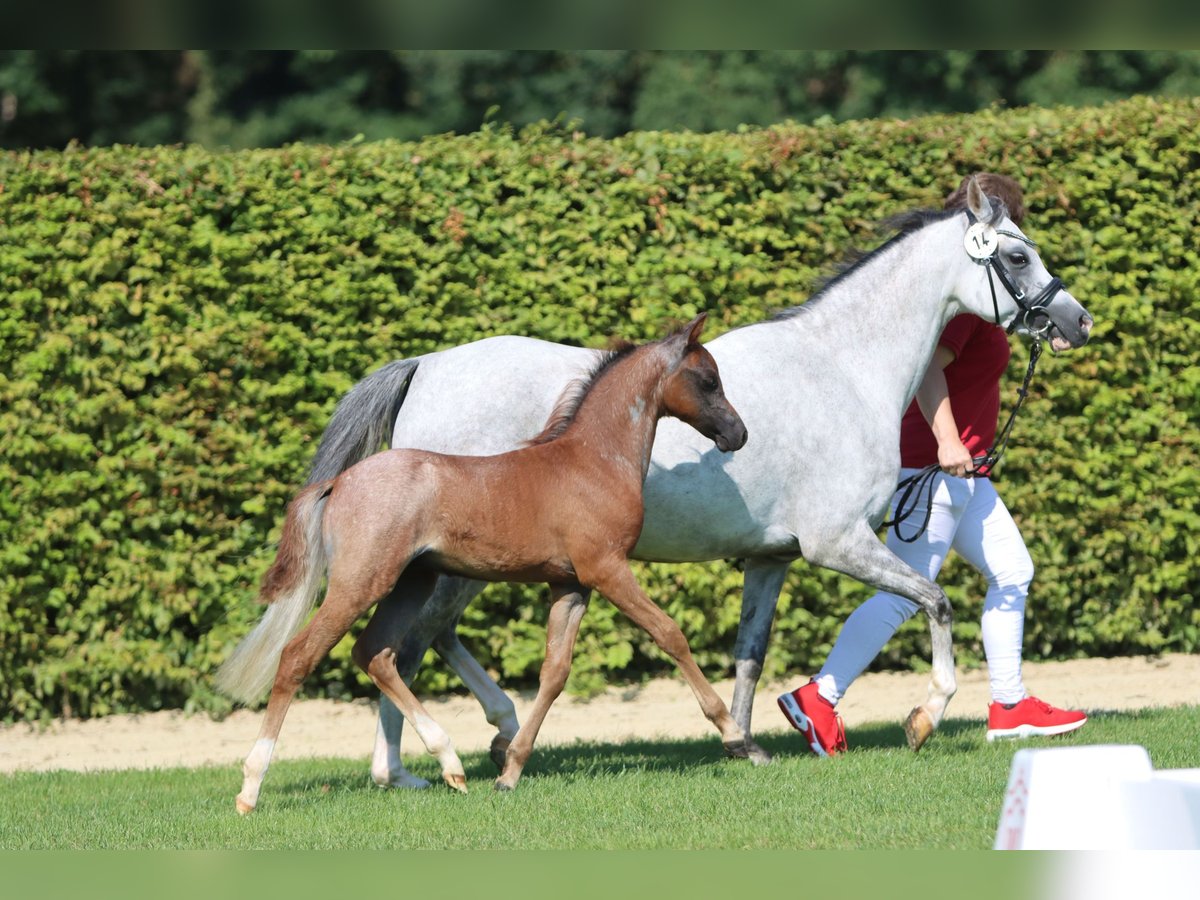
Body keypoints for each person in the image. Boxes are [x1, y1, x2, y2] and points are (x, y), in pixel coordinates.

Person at [777, 173, 1088, 756]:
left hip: (969, 475)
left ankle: (1009, 703)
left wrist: (1052, 325)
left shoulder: (979, 294)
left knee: (1012, 573)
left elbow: (1001, 330)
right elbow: (928, 370)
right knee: (903, 593)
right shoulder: (966, 303)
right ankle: (818, 696)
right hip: (935, 469)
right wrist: (946, 441)